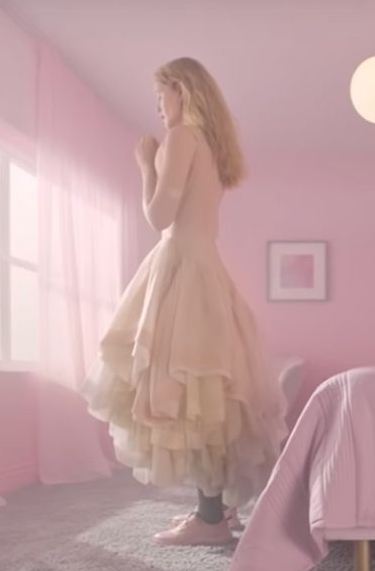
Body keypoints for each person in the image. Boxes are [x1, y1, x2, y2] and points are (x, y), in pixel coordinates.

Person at [80, 58, 286, 545]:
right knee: (205, 400)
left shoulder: (181, 139)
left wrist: (145, 166)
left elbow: (159, 215)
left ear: (182, 92)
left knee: (187, 396)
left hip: (180, 272)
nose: (158, 107)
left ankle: (209, 521)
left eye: (161, 96)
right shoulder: (213, 149)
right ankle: (212, 513)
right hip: (205, 270)